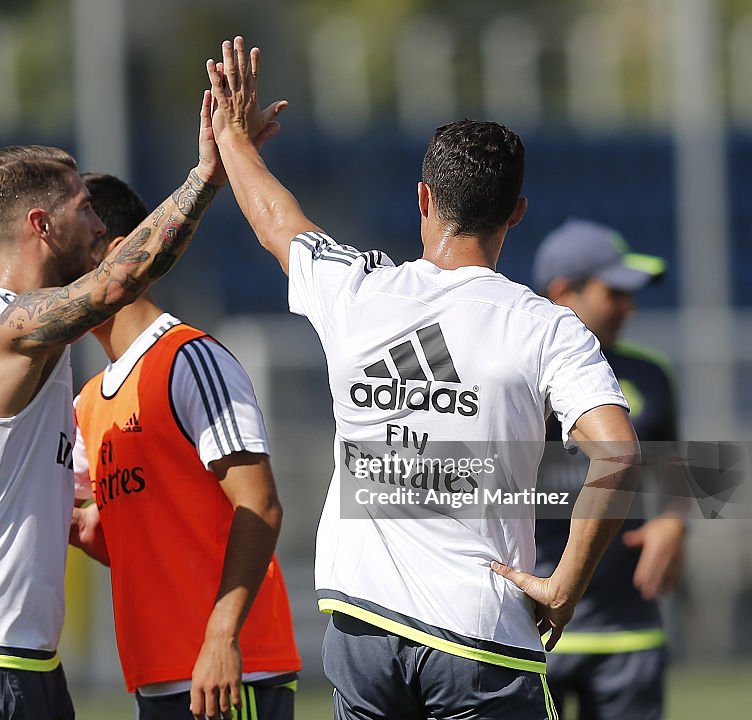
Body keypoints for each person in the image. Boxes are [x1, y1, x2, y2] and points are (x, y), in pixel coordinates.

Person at [206, 37, 641, 719]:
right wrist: (564, 586)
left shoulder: (356, 290)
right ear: (517, 213)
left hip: (360, 626)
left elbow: (274, 219)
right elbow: (617, 452)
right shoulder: (544, 326)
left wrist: (232, 137)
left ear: (423, 198)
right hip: (479, 632)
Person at [0, 85, 281, 720]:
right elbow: (117, 282)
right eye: (83, 210)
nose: (99, 225)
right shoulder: (10, 329)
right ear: (41, 226)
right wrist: (208, 174)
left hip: (17, 659)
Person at [66, 173, 300, 720]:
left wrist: (220, 638)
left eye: (67, 260)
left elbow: (259, 504)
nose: (57, 286)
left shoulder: (188, 358)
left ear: (120, 252)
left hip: (230, 674)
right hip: (159, 677)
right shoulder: (87, 402)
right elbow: (128, 532)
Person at [533, 219, 683, 720]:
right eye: (614, 292)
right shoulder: (510, 373)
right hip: (528, 628)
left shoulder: (651, 373)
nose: (629, 307)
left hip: (628, 628)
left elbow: (678, 468)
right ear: (562, 292)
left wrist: (673, 519)